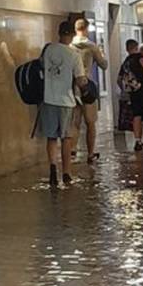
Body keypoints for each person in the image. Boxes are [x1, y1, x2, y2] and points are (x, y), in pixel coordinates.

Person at [39, 21, 87, 188]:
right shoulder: (74, 55)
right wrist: (85, 83)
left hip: (48, 99)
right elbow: (81, 80)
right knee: (66, 138)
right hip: (66, 101)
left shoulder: (48, 50)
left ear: (58, 33)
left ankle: (53, 168)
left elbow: (42, 70)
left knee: (51, 137)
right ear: (72, 35)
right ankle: (66, 173)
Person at [70, 19, 107, 163]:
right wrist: (101, 55)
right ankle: (90, 153)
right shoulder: (92, 46)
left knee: (75, 122)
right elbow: (104, 65)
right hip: (87, 86)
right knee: (91, 122)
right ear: (86, 28)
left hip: (73, 87)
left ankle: (72, 151)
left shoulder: (69, 46)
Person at [116, 39, 140, 141]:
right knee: (138, 116)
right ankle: (139, 139)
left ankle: (137, 139)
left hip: (127, 93)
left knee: (131, 117)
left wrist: (123, 90)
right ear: (137, 47)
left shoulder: (125, 63)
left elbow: (118, 79)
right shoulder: (139, 60)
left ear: (126, 49)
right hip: (138, 92)